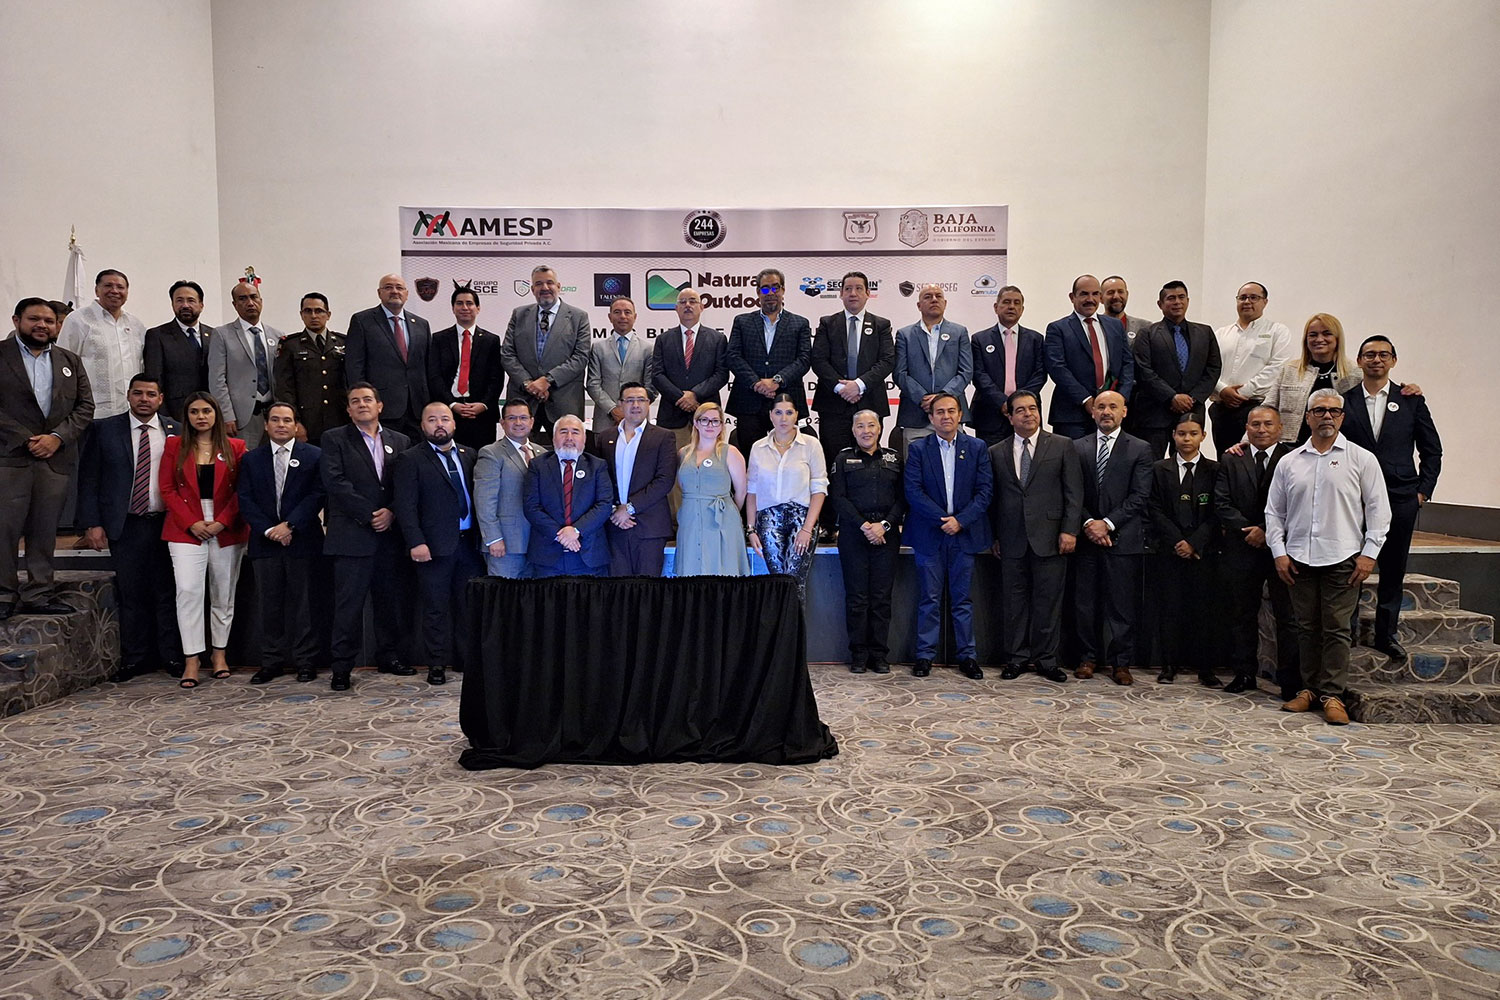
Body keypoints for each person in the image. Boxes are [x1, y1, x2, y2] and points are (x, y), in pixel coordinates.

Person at [1267, 389, 1391, 725]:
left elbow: (1379, 510)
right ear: (1307, 417)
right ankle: (1308, 690)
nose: (1326, 416)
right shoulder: (1290, 462)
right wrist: (1279, 552)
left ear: (1342, 417)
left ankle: (1333, 694)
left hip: (1343, 558)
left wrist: (1369, 554)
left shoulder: (1361, 459)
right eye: (1319, 410)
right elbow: (1274, 512)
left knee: (1336, 628)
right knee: (1305, 627)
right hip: (1299, 559)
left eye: (1333, 411)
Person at [1339, 336, 1442, 663]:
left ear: (1393, 361)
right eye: (1369, 354)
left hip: (1400, 495)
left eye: (1383, 355)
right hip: (1353, 498)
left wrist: (1423, 489)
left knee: (1393, 567)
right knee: (1351, 565)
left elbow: (1431, 449)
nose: (1376, 360)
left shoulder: (1411, 400)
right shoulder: (1344, 400)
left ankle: (1387, 634)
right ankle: (1348, 630)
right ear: (1359, 361)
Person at [79, 374, 181, 679]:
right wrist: (92, 523)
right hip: (125, 525)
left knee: (167, 593)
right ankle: (135, 659)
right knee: (131, 595)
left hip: (166, 524)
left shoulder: (176, 430)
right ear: (128, 395)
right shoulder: (104, 429)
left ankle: (172, 658)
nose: (144, 399)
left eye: (151, 394)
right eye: (138, 393)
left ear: (160, 398)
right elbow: (89, 479)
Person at [1, 298, 95, 619]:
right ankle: (4, 594)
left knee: (44, 529)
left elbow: (85, 407)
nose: (42, 325)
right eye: (34, 319)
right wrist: (26, 438)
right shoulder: (1, 355)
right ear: (17, 320)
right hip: (10, 458)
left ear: (57, 325)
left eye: (49, 321)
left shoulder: (70, 360)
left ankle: (40, 592)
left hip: (54, 459)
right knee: (5, 529)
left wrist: (57, 437)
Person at [320, 382, 416, 691]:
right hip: (351, 536)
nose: (362, 404)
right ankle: (342, 667)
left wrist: (391, 512)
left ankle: (389, 656)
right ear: (348, 409)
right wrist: (371, 514)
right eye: (354, 401)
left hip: (390, 536)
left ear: (380, 406)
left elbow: (406, 485)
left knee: (390, 603)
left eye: (367, 400)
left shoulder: (400, 441)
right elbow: (335, 483)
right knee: (348, 606)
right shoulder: (334, 439)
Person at [987, 389, 1082, 683]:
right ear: (1010, 416)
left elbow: (1073, 493)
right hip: (1011, 539)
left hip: (1052, 537)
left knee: (1048, 602)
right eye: (1021, 410)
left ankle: (1046, 660)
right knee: (1014, 604)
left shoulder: (1063, 446)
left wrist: (1069, 529)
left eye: (1033, 408)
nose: (1028, 414)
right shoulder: (996, 451)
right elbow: (993, 500)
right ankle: (1016, 658)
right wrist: (994, 536)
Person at [159, 391, 248, 687]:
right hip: (186, 525)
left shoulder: (236, 446)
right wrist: (192, 522)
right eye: (195, 412)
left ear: (216, 415)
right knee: (188, 591)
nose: (201, 417)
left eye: (206, 411)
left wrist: (222, 521)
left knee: (223, 592)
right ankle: (192, 659)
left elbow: (242, 491)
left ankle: (219, 654)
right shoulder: (174, 446)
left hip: (226, 525)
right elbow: (167, 489)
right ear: (187, 416)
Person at [903, 392, 993, 679]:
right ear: (930, 418)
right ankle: (925, 656)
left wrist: (960, 521)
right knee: (928, 598)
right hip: (930, 534)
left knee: (962, 599)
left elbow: (985, 491)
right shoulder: (918, 449)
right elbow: (913, 492)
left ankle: (967, 656)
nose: (946, 416)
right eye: (939, 412)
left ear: (960, 414)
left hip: (964, 535)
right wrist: (943, 520)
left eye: (951, 411)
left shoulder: (977, 447)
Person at [393, 402, 483, 685]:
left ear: (454, 424)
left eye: (445, 418)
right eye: (432, 419)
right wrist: (416, 542)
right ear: (423, 426)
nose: (439, 424)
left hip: (468, 544)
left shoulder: (470, 455)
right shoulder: (410, 459)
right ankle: (436, 664)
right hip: (432, 548)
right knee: (435, 608)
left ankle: (464, 659)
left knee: (466, 605)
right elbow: (405, 506)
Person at [1214, 405, 1300, 696]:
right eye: (1255, 425)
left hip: (1282, 549)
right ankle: (1244, 674)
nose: (1261, 430)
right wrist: (1250, 531)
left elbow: (1297, 503)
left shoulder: (1296, 457)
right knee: (1242, 614)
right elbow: (1221, 502)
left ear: (1280, 428)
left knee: (1286, 616)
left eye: (1267, 424)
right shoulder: (1230, 458)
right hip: (1242, 547)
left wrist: (1267, 531)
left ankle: (1289, 680)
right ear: (1247, 428)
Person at [237, 401, 324, 685]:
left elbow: (316, 495)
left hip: (303, 541)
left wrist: (289, 526)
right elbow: (245, 499)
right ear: (266, 425)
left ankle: (306, 662)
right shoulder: (252, 459)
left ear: (296, 425)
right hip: (265, 544)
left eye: (287, 420)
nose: (281, 425)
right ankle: (271, 662)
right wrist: (269, 530)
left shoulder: (314, 456)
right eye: (275, 420)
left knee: (305, 605)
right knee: (269, 605)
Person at [1072, 391, 1153, 686]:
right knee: (1085, 604)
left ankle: (1121, 663)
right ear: (1092, 412)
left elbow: (1140, 496)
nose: (1106, 411)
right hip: (1086, 538)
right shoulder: (1076, 447)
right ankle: (1087, 658)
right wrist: (1089, 524)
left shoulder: (1141, 448)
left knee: (1121, 606)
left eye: (1112, 407)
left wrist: (1107, 524)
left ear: (1125, 412)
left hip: (1123, 539)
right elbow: (1072, 493)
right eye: (1101, 406)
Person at [828, 410, 905, 674]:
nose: (866, 430)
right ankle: (859, 654)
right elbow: (838, 498)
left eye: (871, 425)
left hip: (887, 533)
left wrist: (883, 526)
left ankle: (879, 655)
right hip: (854, 534)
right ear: (853, 430)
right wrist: (864, 526)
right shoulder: (842, 458)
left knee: (881, 598)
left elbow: (903, 498)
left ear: (880, 428)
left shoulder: (894, 458)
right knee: (857, 598)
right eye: (860, 426)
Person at [1147, 414, 1220, 685]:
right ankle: (1168, 665)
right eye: (1181, 433)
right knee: (1170, 610)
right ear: (1173, 436)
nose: (1186, 439)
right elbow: (1153, 508)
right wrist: (1178, 541)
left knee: (1203, 611)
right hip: (1169, 551)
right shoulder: (1159, 469)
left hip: (1203, 553)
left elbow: (1217, 512)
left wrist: (1195, 543)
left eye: (1192, 433)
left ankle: (1206, 669)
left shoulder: (1215, 470)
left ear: (1203, 436)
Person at [810, 272, 894, 496]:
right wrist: (841, 388)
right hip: (833, 406)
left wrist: (859, 385)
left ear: (868, 294)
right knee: (834, 463)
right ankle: (833, 522)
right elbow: (818, 360)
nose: (853, 293)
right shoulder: (828, 324)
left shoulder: (881, 325)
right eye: (848, 289)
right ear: (840, 294)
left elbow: (887, 361)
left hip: (870, 403)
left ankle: (867, 515)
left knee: (869, 462)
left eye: (858, 288)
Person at [745, 393, 828, 601]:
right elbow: (752, 490)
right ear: (771, 416)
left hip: (802, 519)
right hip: (768, 520)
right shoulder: (758, 447)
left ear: (797, 415)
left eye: (789, 413)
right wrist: (751, 529)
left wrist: (807, 528)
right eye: (778, 413)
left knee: (794, 582)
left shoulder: (811, 444)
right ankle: (781, 633)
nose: (784, 418)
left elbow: (819, 489)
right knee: (777, 582)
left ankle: (796, 633)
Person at [498, 265, 591, 442]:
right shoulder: (519, 314)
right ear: (532, 289)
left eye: (550, 283)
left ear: (559, 286)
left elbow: (580, 357)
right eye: (539, 284)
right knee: (518, 456)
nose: (545, 288)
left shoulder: (579, 317)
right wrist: (529, 384)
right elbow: (507, 353)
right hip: (523, 399)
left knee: (566, 455)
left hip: (564, 400)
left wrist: (547, 381)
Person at [726, 268, 812, 459]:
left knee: (789, 458)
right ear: (758, 292)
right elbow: (733, 356)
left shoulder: (800, 323)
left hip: (786, 399)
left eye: (775, 288)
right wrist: (757, 383)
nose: (770, 293)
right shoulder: (742, 321)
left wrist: (777, 380)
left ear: (783, 290)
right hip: (749, 401)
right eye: (765, 289)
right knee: (751, 459)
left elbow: (804, 359)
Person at [1131, 281, 1222, 459]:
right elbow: (1143, 370)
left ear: (1188, 300)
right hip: (1155, 411)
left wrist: (1193, 398)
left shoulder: (1205, 332)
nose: (1177, 302)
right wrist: (1171, 397)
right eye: (1171, 298)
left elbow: (1213, 368)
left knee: (1186, 464)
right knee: (1151, 465)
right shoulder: (1147, 333)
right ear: (1160, 304)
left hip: (1192, 410)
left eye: (1181, 297)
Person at [599, 383, 678, 576]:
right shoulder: (604, 437)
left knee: (647, 593)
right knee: (617, 593)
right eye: (630, 400)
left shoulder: (664, 437)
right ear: (620, 404)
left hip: (649, 528)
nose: (636, 405)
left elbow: (664, 480)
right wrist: (614, 511)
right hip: (614, 524)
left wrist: (629, 509)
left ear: (649, 403)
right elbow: (599, 480)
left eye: (641, 400)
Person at [1044, 275, 1135, 440]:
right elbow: (1057, 368)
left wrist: (1121, 397)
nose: (1090, 299)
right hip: (1071, 415)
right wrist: (1086, 400)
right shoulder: (1057, 328)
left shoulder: (1114, 326)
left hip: (1110, 413)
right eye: (1084, 294)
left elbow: (1127, 363)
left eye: (1095, 294)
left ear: (1100, 297)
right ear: (1072, 297)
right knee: (1073, 464)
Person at [1208, 282, 1294, 454]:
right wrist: (1223, 390)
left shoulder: (1277, 331)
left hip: (1257, 410)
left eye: (1254, 297)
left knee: (1255, 464)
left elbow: (1277, 368)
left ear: (1265, 302)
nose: (1247, 301)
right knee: (1226, 462)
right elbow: (1208, 367)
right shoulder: (1220, 334)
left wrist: (1241, 393)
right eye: (1243, 297)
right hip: (1222, 410)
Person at [524, 414, 614, 577]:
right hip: (547, 557)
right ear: (553, 438)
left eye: (575, 432)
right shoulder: (538, 466)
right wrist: (561, 535)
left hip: (588, 555)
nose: (569, 437)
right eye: (563, 432)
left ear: (584, 439)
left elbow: (604, 504)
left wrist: (577, 530)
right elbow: (531, 507)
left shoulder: (597, 466)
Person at [344, 274, 432, 438]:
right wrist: (364, 403)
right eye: (388, 287)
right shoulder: (362, 321)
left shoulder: (421, 324)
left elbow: (428, 368)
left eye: (399, 288)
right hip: (382, 408)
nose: (394, 291)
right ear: (379, 293)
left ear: (406, 293)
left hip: (417, 409)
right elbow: (354, 366)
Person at [673, 401, 750, 577]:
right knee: (690, 571)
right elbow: (680, 486)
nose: (710, 425)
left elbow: (741, 492)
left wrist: (728, 514)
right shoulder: (683, 454)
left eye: (715, 421)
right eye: (704, 420)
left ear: (722, 425)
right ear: (696, 423)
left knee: (723, 571)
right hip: (690, 520)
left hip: (721, 521)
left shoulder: (730, 452)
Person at [475, 399, 549, 578]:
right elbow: (484, 501)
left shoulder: (543, 453)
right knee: (503, 601)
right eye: (512, 418)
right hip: (505, 545)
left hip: (538, 544)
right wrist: (493, 538)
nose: (518, 423)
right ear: (502, 423)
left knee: (533, 601)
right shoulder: (491, 453)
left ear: (532, 421)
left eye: (523, 418)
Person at [893, 284, 971, 455]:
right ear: (919, 305)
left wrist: (942, 399)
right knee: (916, 471)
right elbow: (900, 373)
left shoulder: (959, 332)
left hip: (951, 415)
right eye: (928, 296)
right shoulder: (904, 334)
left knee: (954, 470)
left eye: (938, 296)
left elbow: (966, 371)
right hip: (915, 413)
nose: (934, 299)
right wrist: (923, 398)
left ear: (945, 302)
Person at [649, 287, 729, 452]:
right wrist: (681, 397)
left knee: (708, 465)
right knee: (673, 468)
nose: (688, 305)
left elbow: (721, 374)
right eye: (682, 302)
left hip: (706, 416)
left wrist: (694, 395)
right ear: (676, 308)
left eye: (693, 301)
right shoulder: (663, 340)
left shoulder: (717, 339)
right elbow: (657, 375)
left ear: (702, 307)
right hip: (672, 416)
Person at [207, 281, 284, 448]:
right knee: (244, 465)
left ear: (261, 301)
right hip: (242, 417)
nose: (250, 303)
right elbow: (217, 379)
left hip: (273, 413)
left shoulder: (277, 335)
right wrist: (226, 415)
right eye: (242, 299)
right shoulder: (222, 334)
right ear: (234, 304)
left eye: (253, 297)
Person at [58, 269, 143, 419]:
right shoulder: (78, 320)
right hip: (91, 413)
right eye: (108, 285)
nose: (114, 291)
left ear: (127, 292)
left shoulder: (136, 325)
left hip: (130, 414)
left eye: (120, 287)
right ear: (97, 290)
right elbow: (63, 366)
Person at [427, 283, 502, 450]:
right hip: (447, 412)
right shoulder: (439, 339)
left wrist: (483, 405)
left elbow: (496, 378)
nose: (465, 307)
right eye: (459, 303)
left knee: (480, 462)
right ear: (453, 309)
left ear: (478, 308)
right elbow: (434, 376)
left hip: (481, 415)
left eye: (469, 303)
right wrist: (452, 404)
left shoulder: (491, 340)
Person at [969, 286, 1047, 447]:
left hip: (1026, 414)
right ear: (996, 307)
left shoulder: (1036, 339)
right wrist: (1003, 402)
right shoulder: (979, 339)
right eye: (1006, 302)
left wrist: (1019, 404)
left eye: (1016, 303)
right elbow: (979, 375)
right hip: (990, 415)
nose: (1012, 306)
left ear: (1022, 309)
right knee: (991, 466)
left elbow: (1040, 374)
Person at [273, 292, 348, 444]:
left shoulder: (343, 342)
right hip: (307, 422)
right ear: (301, 315)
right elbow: (284, 388)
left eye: (319, 311)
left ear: (328, 314)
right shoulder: (290, 345)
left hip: (340, 419)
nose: (313, 315)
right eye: (308, 311)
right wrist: (295, 422)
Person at [143, 280, 211, 423]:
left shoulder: (214, 335)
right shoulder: (157, 335)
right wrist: (165, 417)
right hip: (176, 414)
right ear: (172, 304)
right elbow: (155, 379)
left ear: (201, 305)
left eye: (191, 300)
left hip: (209, 413)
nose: (185, 305)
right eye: (179, 300)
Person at [587, 296, 656, 437]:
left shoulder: (648, 349)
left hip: (638, 421)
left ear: (635, 316)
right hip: (605, 422)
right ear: (610, 317)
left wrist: (631, 408)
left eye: (627, 312)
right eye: (617, 312)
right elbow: (593, 384)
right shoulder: (598, 348)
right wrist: (613, 409)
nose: (623, 316)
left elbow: (651, 387)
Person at [1100, 275, 1154, 343]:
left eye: (1120, 292)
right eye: (1110, 292)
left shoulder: (1145, 327)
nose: (1116, 296)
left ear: (1127, 295)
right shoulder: (1094, 327)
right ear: (1100, 298)